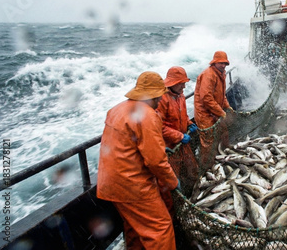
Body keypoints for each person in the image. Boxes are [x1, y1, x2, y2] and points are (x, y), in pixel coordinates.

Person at [97, 71, 179, 250]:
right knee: (161, 228)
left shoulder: (117, 109)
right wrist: (172, 182)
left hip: (109, 182)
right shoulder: (148, 116)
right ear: (153, 95)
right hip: (132, 185)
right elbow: (156, 162)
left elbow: (126, 143)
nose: (160, 100)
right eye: (159, 95)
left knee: (134, 225)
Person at [156, 66, 199, 195]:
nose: (184, 87)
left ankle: (194, 194)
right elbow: (158, 127)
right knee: (172, 179)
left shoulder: (180, 96)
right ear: (172, 83)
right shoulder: (161, 99)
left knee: (192, 170)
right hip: (170, 148)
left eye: (184, 83)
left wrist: (190, 123)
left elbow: (184, 115)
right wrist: (179, 136)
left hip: (182, 144)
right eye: (181, 84)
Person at [194, 51, 233, 172]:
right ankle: (207, 168)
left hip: (215, 111)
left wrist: (228, 107)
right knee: (208, 142)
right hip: (204, 114)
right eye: (221, 63)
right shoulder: (209, 75)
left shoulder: (221, 74)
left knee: (223, 132)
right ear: (214, 62)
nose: (223, 66)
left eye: (225, 63)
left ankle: (224, 155)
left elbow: (222, 95)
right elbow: (206, 99)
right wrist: (221, 112)